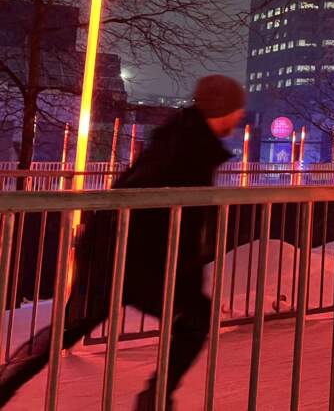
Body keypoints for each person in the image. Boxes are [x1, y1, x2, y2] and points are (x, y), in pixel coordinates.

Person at [0, 75, 246, 410]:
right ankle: (154, 400)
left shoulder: (181, 138)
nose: (239, 117)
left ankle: (6, 385)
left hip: (118, 251)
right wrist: (184, 274)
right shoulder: (192, 148)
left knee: (70, 328)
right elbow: (177, 219)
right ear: (222, 110)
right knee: (194, 318)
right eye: (236, 110)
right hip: (130, 257)